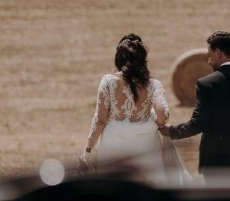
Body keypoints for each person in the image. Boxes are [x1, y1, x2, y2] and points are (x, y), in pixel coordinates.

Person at [159, 31, 230, 185]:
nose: (209, 60)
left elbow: (198, 123)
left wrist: (172, 131)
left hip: (216, 164)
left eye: (209, 55)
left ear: (218, 53)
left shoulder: (206, 84)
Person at [80, 34, 192, 185]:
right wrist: (157, 120)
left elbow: (100, 120)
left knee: (115, 185)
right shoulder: (153, 84)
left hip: (113, 142)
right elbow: (162, 115)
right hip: (146, 143)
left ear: (119, 58)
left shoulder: (108, 81)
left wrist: (88, 151)